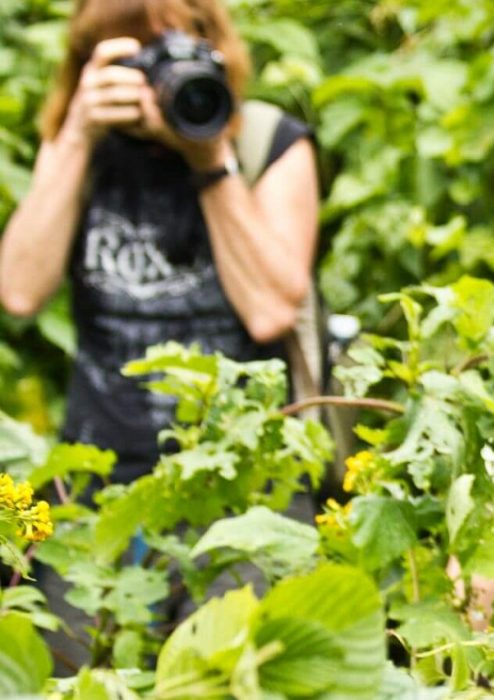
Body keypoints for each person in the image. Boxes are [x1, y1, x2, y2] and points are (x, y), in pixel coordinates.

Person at [0, 0, 318, 485]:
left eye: (173, 53)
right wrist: (76, 136)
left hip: (247, 481)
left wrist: (210, 159)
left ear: (214, 51)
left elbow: (270, 310)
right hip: (98, 477)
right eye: (137, 61)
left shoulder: (267, 142)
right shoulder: (81, 148)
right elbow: (19, 292)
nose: (157, 79)